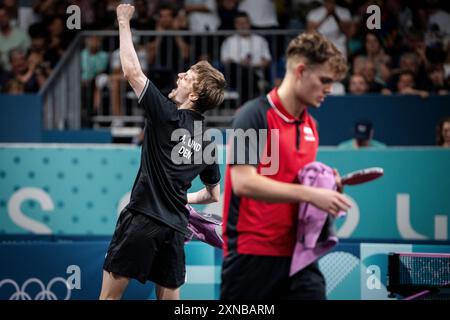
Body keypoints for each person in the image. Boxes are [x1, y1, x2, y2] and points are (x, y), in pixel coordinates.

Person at [100, 4, 226, 300]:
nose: (181, 74)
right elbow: (213, 195)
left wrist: (122, 20)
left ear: (193, 95)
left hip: (141, 220)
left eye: (188, 77)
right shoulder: (208, 142)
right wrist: (183, 198)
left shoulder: (167, 114)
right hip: (175, 231)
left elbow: (131, 71)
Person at [221, 31, 352, 300]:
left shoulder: (311, 127)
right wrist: (311, 193)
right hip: (252, 255)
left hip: (299, 255)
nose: (329, 89)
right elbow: (244, 182)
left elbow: (297, 182)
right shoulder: (252, 115)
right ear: (301, 71)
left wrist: (323, 183)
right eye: (324, 80)